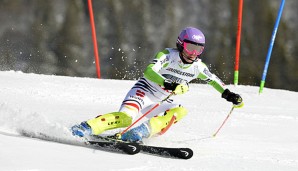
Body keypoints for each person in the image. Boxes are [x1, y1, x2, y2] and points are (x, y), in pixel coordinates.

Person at [71, 27, 243, 142]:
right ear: (181, 44)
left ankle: (140, 132)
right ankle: (86, 127)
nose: (193, 53)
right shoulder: (168, 55)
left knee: (180, 111)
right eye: (190, 47)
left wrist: (230, 95)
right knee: (126, 118)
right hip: (143, 92)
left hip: (160, 101)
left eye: (198, 49)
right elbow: (149, 72)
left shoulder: (198, 67)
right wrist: (167, 83)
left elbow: (214, 81)